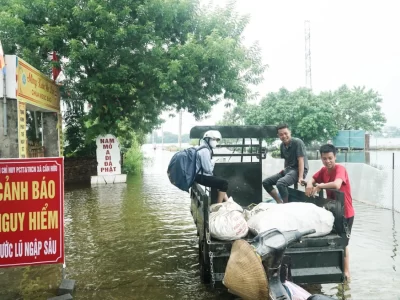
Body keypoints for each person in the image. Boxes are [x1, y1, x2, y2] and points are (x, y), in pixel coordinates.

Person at [305, 144, 355, 280]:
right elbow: (313, 178)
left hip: (345, 213)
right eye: (324, 158)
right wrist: (310, 183)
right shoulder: (323, 170)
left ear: (335, 157)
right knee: (332, 241)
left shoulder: (340, 169)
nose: (327, 161)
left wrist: (320, 186)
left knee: (343, 243)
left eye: (330, 158)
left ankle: (346, 272)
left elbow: (337, 184)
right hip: (333, 211)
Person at [262, 123, 309, 203]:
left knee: (280, 183)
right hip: (289, 170)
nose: (284, 136)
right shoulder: (282, 146)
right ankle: (279, 202)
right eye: (281, 135)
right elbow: (286, 160)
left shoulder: (297, 142)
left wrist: (300, 177)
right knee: (266, 182)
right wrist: (284, 171)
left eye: (285, 133)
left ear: (290, 132)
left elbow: (301, 160)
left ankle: (285, 206)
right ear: (278, 136)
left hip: (298, 170)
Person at [194, 130, 229, 203]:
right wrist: (213, 161)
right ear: (207, 139)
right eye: (213, 139)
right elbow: (208, 169)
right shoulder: (205, 151)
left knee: (219, 181)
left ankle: (228, 201)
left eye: (217, 140)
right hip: (200, 176)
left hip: (199, 175)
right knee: (224, 183)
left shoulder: (204, 148)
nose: (215, 141)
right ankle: (219, 205)